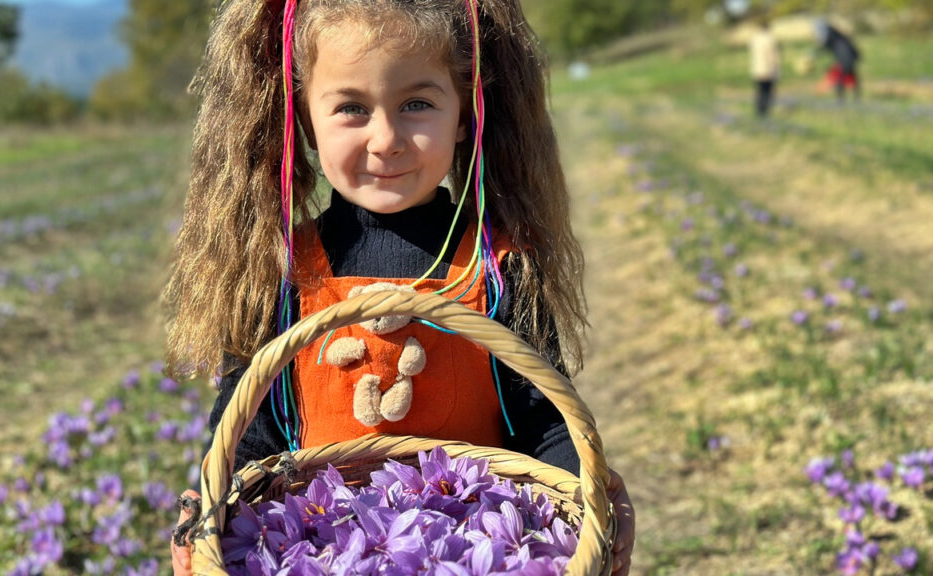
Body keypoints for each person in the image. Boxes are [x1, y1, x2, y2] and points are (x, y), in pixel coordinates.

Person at [165, 0, 635, 574]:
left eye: (417, 104)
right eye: (351, 108)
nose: (386, 139)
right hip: (322, 548)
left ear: (464, 112)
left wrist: (584, 501)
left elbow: (544, 424)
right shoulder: (282, 273)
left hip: (469, 549)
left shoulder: (496, 264)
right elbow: (249, 438)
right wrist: (211, 511)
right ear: (305, 121)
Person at [814, 18, 861, 102]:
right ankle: (856, 99)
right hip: (849, 57)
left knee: (839, 78)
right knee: (851, 77)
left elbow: (825, 45)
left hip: (844, 58)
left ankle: (841, 100)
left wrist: (814, 54)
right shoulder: (835, 33)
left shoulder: (831, 34)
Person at [748, 18, 780, 118]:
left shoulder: (755, 39)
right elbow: (773, 56)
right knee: (767, 92)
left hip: (757, 70)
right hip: (768, 70)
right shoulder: (770, 38)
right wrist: (776, 67)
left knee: (759, 91)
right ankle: (764, 112)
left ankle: (759, 111)